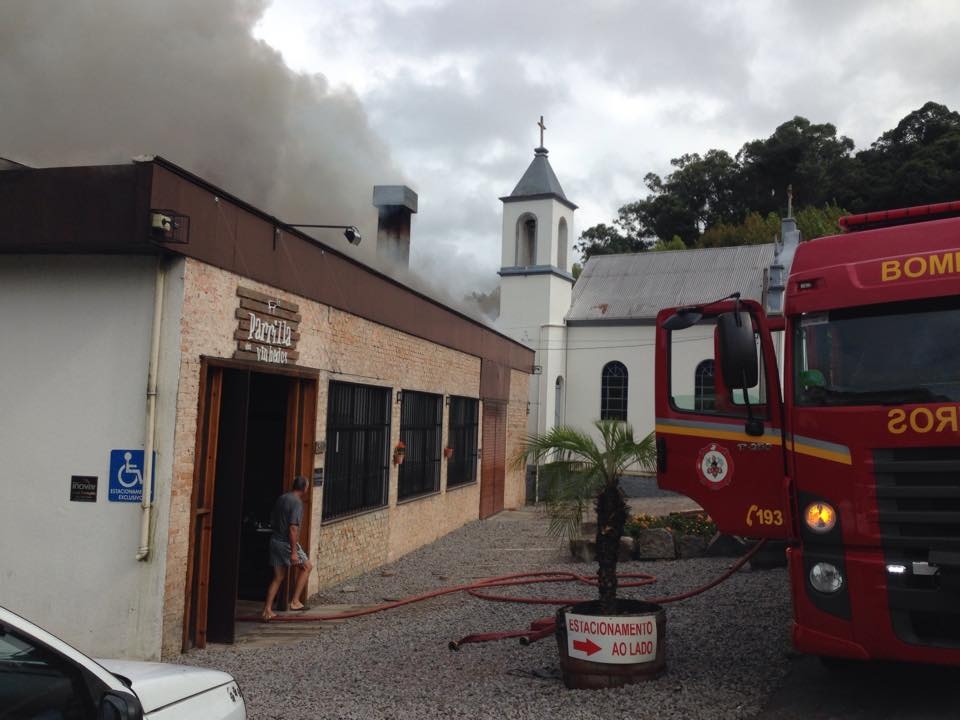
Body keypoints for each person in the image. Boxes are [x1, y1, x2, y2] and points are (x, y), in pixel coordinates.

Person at [262, 475, 314, 621]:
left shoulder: (282, 498)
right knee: (307, 567)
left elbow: (273, 518)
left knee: (278, 577)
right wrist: (293, 552)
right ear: (304, 488)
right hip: (286, 542)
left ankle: (267, 610)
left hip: (275, 540)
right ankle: (295, 601)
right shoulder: (297, 503)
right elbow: (293, 528)